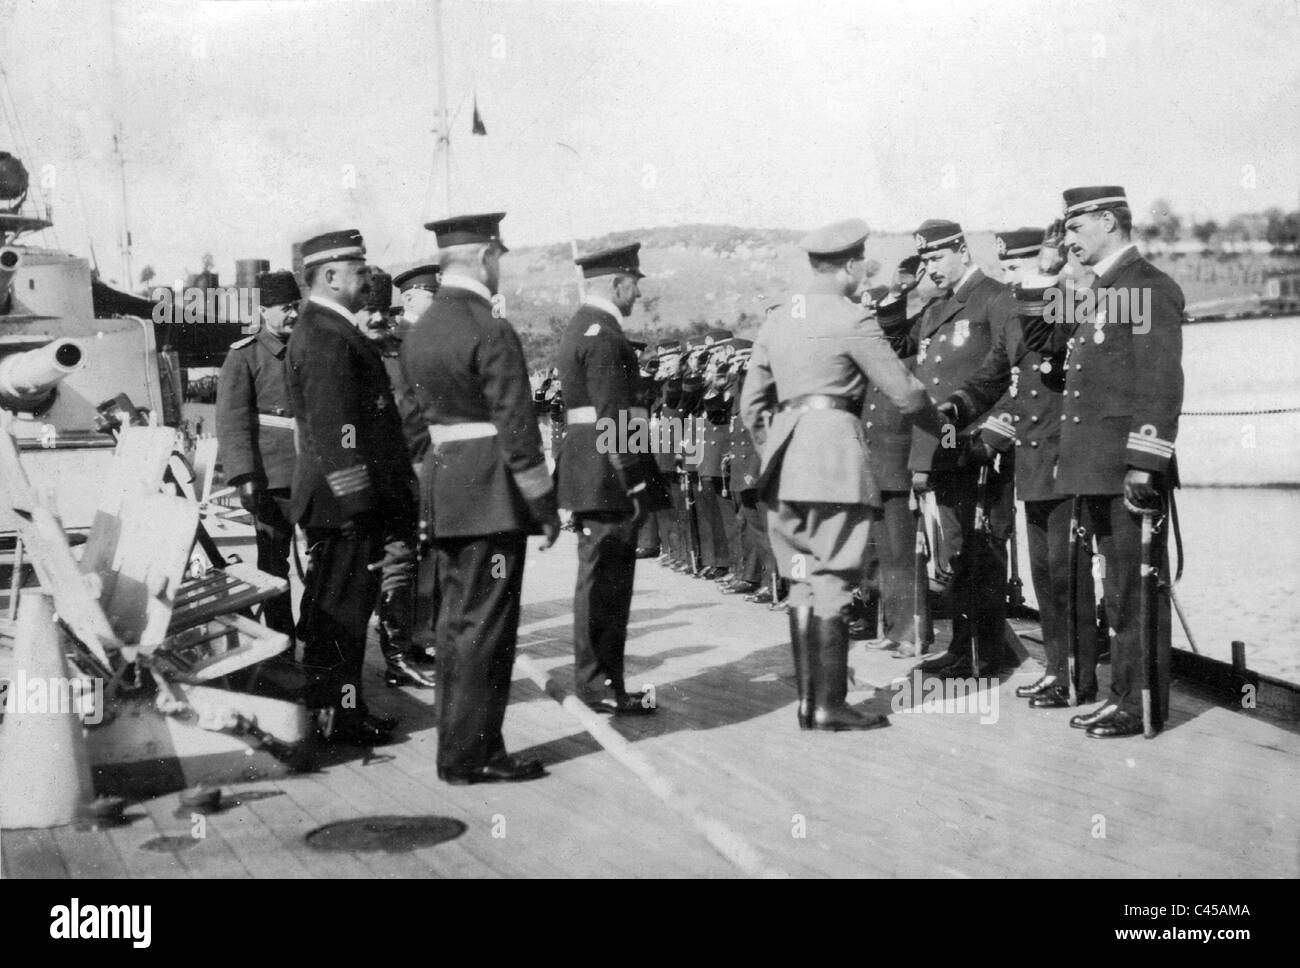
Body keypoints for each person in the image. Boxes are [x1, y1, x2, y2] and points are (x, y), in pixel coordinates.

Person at [740, 218, 946, 731]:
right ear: (851, 266)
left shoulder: (777, 320)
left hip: (783, 469)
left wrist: (779, 451)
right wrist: (942, 428)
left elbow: (751, 406)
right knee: (832, 580)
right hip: (833, 465)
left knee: (802, 581)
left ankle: (809, 703)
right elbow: (905, 392)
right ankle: (831, 705)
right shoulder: (853, 318)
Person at [400, 212, 559, 782]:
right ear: (486, 256)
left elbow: (414, 428)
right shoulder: (490, 330)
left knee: (454, 627)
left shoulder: (420, 333)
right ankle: (475, 756)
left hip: (447, 495)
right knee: (487, 631)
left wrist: (430, 494)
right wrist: (543, 506)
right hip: (492, 499)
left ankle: (458, 749)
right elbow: (518, 431)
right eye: (499, 258)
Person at [1030, 186, 1183, 738]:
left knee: (1133, 590)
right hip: (1096, 466)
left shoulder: (1145, 288)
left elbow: (1159, 382)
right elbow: (1040, 340)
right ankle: (1121, 694)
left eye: (1075, 229)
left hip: (1125, 467)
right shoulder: (1096, 291)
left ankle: (1141, 704)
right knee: (1116, 590)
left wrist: (1146, 462)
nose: (1068, 240)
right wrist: (1050, 272)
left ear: (1108, 223)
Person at [942, 227, 1099, 709]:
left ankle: (1077, 674)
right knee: (1043, 573)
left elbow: (1070, 378)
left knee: (1067, 571)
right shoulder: (1017, 311)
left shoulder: (1071, 305)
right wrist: (956, 407)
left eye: (1015, 268)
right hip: (1033, 456)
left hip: (1066, 454)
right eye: (1006, 269)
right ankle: (1057, 669)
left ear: (1044, 260)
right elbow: (998, 375)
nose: (1007, 277)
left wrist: (998, 428)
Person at [286, 230, 417, 746]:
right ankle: (339, 717)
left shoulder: (329, 329)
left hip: (342, 501)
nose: (367, 279)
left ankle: (336, 710)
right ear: (332, 277)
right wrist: (361, 504)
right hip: (345, 504)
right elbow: (337, 430)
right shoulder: (325, 335)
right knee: (341, 613)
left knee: (338, 610)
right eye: (359, 271)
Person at [879, 219, 1019, 679]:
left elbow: (1012, 374)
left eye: (937, 258)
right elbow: (896, 342)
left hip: (981, 446)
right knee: (956, 551)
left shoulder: (995, 298)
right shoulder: (937, 308)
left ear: (961, 249)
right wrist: (900, 293)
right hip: (946, 447)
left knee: (984, 548)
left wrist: (995, 436)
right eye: (924, 261)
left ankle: (986, 652)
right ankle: (964, 648)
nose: (931, 269)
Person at [555, 242, 667, 715]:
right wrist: (636, 480)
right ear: (617, 283)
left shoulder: (585, 326)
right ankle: (600, 684)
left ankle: (599, 681)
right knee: (607, 585)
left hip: (592, 472)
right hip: (609, 477)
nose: (637, 295)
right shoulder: (604, 336)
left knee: (600, 582)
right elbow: (614, 416)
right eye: (634, 285)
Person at [356, 270, 437, 690]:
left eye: (381, 311)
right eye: (366, 310)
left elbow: (419, 413)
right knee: (349, 574)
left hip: (404, 472)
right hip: (351, 481)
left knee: (402, 563)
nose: (375, 320)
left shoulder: (401, 352)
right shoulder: (340, 354)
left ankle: (398, 653)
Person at [215, 269, 301, 642]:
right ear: (264, 310)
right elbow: (231, 423)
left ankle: (316, 631)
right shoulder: (244, 357)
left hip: (311, 474)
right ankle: (281, 641)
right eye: (285, 308)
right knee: (273, 564)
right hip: (272, 478)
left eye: (296, 306)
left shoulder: (308, 350)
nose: (293, 315)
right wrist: (244, 477)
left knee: (325, 558)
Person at [858, 259, 926, 652]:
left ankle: (913, 632)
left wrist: (919, 466)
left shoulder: (906, 359)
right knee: (886, 554)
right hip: (876, 468)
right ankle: (893, 629)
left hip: (899, 467)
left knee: (903, 556)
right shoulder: (870, 362)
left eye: (877, 316)